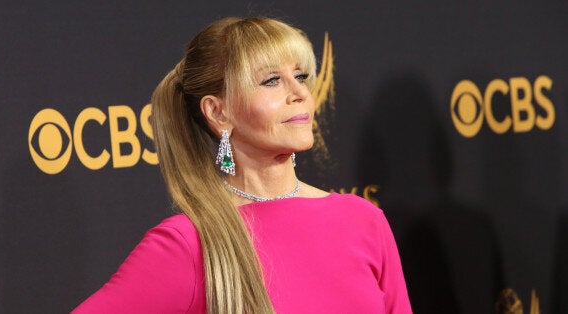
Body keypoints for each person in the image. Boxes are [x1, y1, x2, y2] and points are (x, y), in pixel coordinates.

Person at [73, 17, 412, 313]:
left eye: (300, 75)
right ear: (218, 112)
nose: (299, 93)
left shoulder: (363, 220)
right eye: (271, 81)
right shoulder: (189, 244)